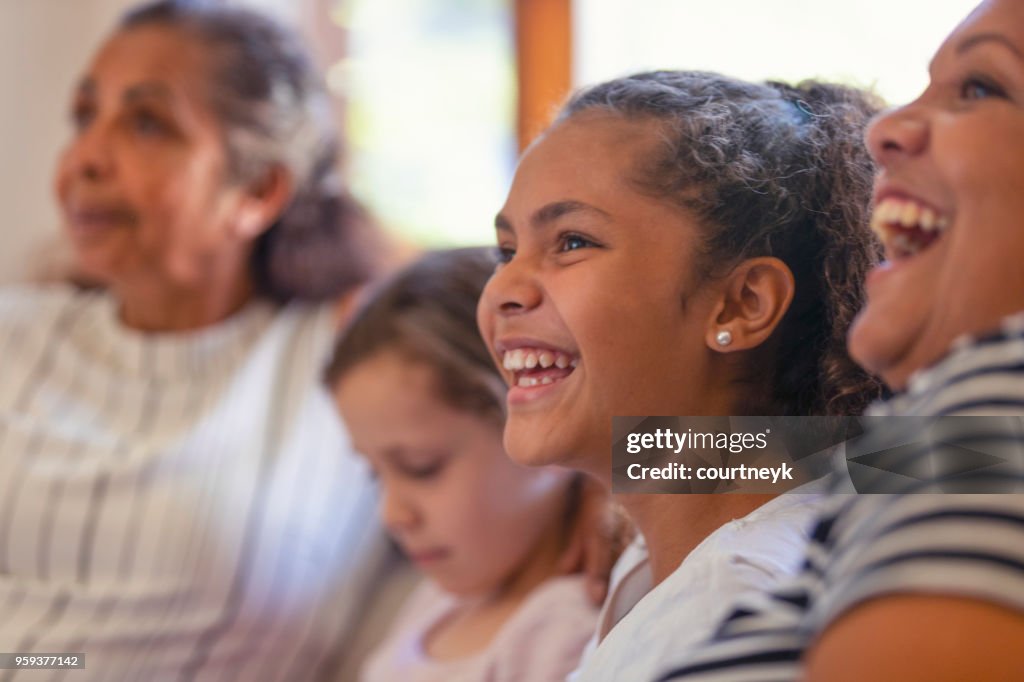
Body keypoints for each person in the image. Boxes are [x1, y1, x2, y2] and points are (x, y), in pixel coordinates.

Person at [0, 1, 391, 679]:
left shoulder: (356, 352)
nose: (87, 156)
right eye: (85, 116)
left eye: (147, 123)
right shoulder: (16, 332)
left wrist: (630, 498)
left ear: (259, 192)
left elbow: (611, 438)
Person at [476, 71, 886, 681]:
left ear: (742, 304)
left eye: (572, 242)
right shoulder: (670, 548)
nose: (503, 289)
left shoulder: (733, 611)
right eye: (507, 251)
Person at [656, 1, 1024, 680]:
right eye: (507, 250)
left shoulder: (998, 394)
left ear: (742, 302)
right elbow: (827, 456)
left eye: (981, 87)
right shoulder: (952, 445)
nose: (883, 129)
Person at [325, 247, 598, 682]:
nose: (392, 514)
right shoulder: (438, 601)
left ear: (542, 421)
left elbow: (741, 448)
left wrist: (615, 476)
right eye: (375, 473)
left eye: (421, 466)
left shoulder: (565, 634)